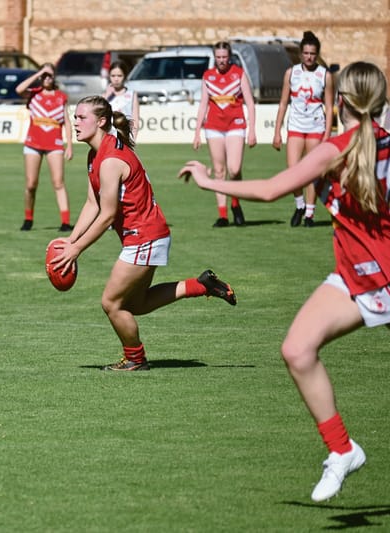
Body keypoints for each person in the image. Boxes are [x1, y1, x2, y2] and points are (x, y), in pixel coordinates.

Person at [180, 61, 389, 502]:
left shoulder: (338, 148)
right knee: (296, 349)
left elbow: (272, 189)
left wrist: (207, 180)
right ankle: (342, 450)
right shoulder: (356, 147)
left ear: (342, 102)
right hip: (357, 278)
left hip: (377, 277)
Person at [49, 95, 237, 371]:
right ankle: (202, 285)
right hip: (147, 235)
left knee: (112, 303)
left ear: (101, 121)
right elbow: (93, 203)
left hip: (145, 236)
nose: (74, 122)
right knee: (135, 304)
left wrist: (76, 250)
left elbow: (107, 215)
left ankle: (136, 359)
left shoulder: (110, 160)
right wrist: (71, 239)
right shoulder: (96, 154)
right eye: (74, 117)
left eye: (80, 117)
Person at [273, 31, 334, 227]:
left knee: (312, 173)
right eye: (306, 53)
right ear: (301, 54)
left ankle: (309, 213)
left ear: (317, 54)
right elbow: (283, 103)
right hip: (296, 126)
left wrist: (327, 134)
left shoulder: (325, 75)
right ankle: (299, 205)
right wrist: (277, 131)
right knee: (293, 170)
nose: (309, 57)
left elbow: (329, 107)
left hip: (316, 127)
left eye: (313, 54)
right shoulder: (291, 73)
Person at [193, 41, 257, 227]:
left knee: (234, 169)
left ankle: (236, 203)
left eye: (224, 57)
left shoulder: (238, 74)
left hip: (235, 125)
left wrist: (252, 129)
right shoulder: (208, 76)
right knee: (219, 171)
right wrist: (197, 132)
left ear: (230, 57)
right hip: (214, 127)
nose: (221, 61)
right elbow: (203, 104)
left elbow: (250, 103)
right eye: (218, 57)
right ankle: (223, 215)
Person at [15, 62, 74, 231]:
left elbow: (67, 122)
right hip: (33, 143)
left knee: (58, 182)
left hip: (54, 143)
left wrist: (69, 145)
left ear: (54, 77)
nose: (47, 78)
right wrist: (39, 72)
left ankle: (65, 221)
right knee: (31, 184)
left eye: (50, 75)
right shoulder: (34, 94)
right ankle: (28, 218)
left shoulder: (61, 97)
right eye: (44, 75)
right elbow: (19, 89)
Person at [104, 61, 140, 142]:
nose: (116, 79)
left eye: (119, 76)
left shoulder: (132, 95)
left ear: (125, 76)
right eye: (113, 76)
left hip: (125, 136)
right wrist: (107, 96)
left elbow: (135, 120)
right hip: (109, 137)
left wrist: (132, 140)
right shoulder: (105, 96)